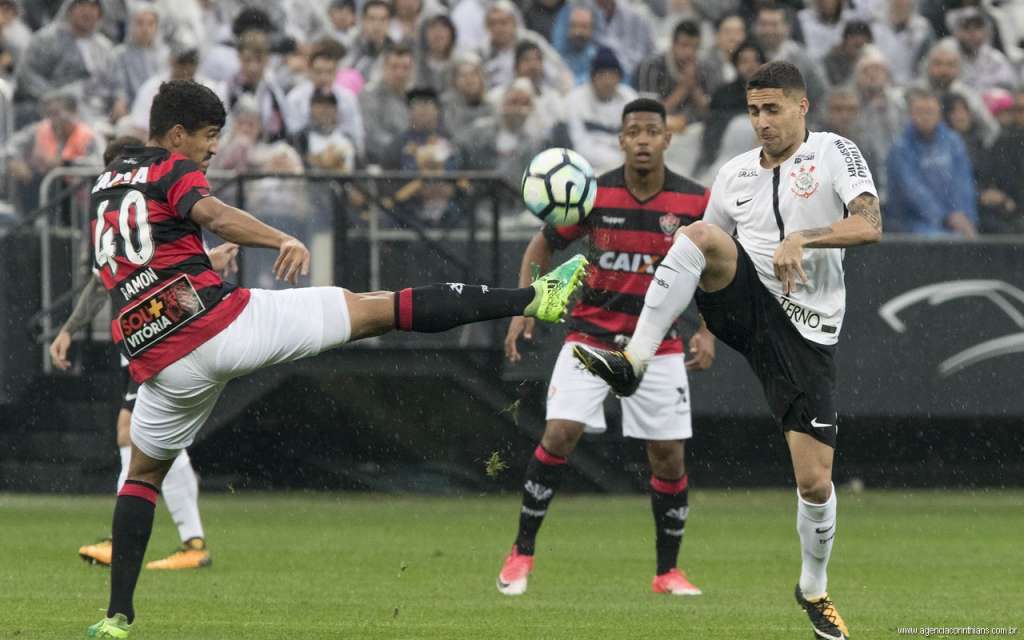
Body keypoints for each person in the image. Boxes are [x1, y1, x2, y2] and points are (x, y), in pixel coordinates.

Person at [83, 79, 588, 639]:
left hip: (157, 359)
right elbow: (215, 213)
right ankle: (534, 299)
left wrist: (198, 268)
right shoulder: (171, 169)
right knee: (373, 308)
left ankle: (117, 617)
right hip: (219, 327)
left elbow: (140, 259)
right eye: (207, 137)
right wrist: (279, 239)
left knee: (143, 475)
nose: (212, 150)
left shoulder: (104, 185)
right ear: (176, 134)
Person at [573, 61, 883, 640]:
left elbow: (870, 224)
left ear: (801, 106)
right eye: (754, 111)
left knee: (815, 482)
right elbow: (699, 252)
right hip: (744, 302)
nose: (762, 122)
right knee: (698, 234)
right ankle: (634, 362)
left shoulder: (835, 152)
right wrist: (706, 328)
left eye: (772, 110)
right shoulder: (734, 172)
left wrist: (803, 238)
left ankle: (813, 588)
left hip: (806, 332)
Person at [497, 97, 712, 598]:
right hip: (590, 338)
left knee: (668, 459)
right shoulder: (593, 195)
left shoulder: (694, 202)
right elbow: (541, 246)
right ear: (620, 140)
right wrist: (525, 306)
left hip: (656, 347)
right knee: (560, 434)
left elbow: (716, 269)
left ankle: (667, 573)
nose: (641, 140)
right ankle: (521, 553)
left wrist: (708, 330)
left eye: (650, 131)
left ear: (666, 139)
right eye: (632, 131)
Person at [51, 135, 236, 572]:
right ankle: (189, 541)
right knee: (153, 437)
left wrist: (208, 264)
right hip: (142, 337)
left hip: (158, 336)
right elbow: (105, 281)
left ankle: (140, 539)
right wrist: (68, 329)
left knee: (131, 431)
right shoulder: (133, 213)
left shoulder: (136, 205)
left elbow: (174, 282)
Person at [887, 88, 977, 237]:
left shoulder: (954, 142)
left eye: (930, 112)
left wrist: (962, 214)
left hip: (956, 219)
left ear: (939, 115)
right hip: (912, 222)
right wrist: (945, 218)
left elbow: (963, 182)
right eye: (920, 112)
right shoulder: (900, 148)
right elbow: (912, 190)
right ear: (911, 115)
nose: (925, 117)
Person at [565, 47, 638, 174]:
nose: (607, 81)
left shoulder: (629, 98)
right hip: (586, 170)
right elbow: (580, 145)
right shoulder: (575, 100)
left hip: (627, 168)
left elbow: (636, 139)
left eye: (612, 75)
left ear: (619, 78)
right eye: (602, 75)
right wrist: (619, 161)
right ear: (593, 77)